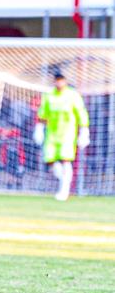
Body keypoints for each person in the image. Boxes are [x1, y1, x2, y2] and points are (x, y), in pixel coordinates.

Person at [33, 72, 90, 201]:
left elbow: (81, 112)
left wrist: (84, 130)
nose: (59, 83)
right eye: (57, 80)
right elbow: (43, 113)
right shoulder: (49, 96)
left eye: (61, 80)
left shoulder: (73, 95)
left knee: (65, 160)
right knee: (50, 160)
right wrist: (39, 128)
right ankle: (64, 180)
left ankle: (64, 190)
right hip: (52, 134)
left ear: (65, 81)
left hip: (67, 134)